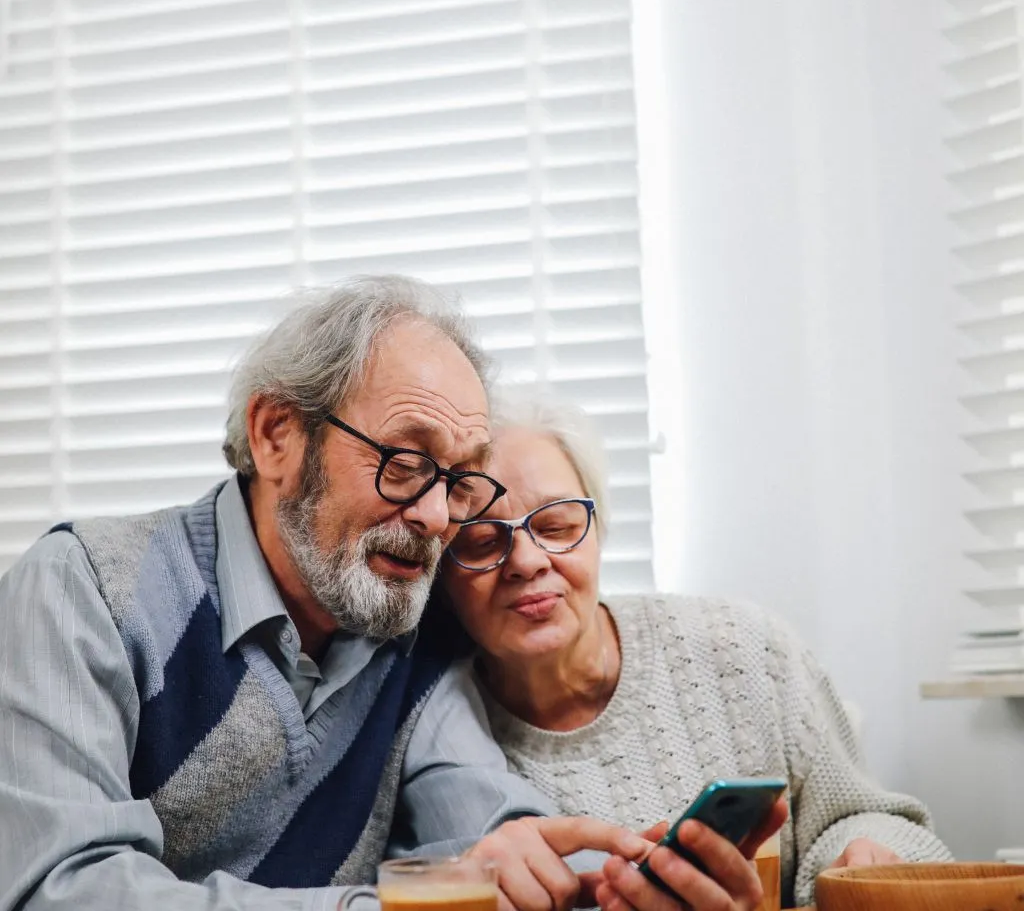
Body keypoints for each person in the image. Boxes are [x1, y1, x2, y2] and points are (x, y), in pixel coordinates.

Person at [0, 277, 660, 911]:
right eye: (405, 463)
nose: (437, 516)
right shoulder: (82, 590)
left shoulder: (414, 628)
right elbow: (58, 889)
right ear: (276, 435)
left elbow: (486, 822)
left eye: (461, 479)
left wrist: (612, 883)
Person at [438, 390, 953, 910]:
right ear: (441, 571)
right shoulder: (435, 734)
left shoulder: (745, 645)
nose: (527, 562)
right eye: (482, 542)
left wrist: (862, 859)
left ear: (598, 531)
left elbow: (868, 815)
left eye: (557, 527)